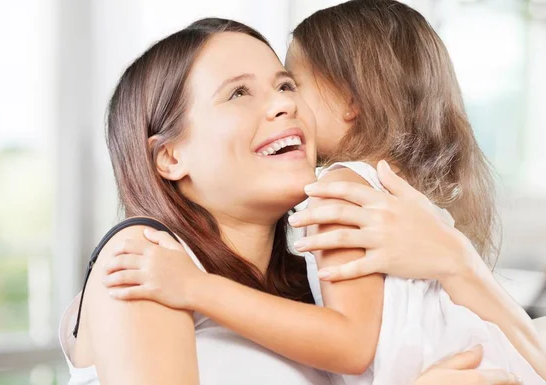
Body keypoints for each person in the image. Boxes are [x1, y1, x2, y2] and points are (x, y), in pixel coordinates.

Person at [100, 1, 546, 383]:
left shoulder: (302, 283)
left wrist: (460, 264)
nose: (285, 104)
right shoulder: (148, 255)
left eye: (287, 84)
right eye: (238, 93)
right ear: (170, 157)